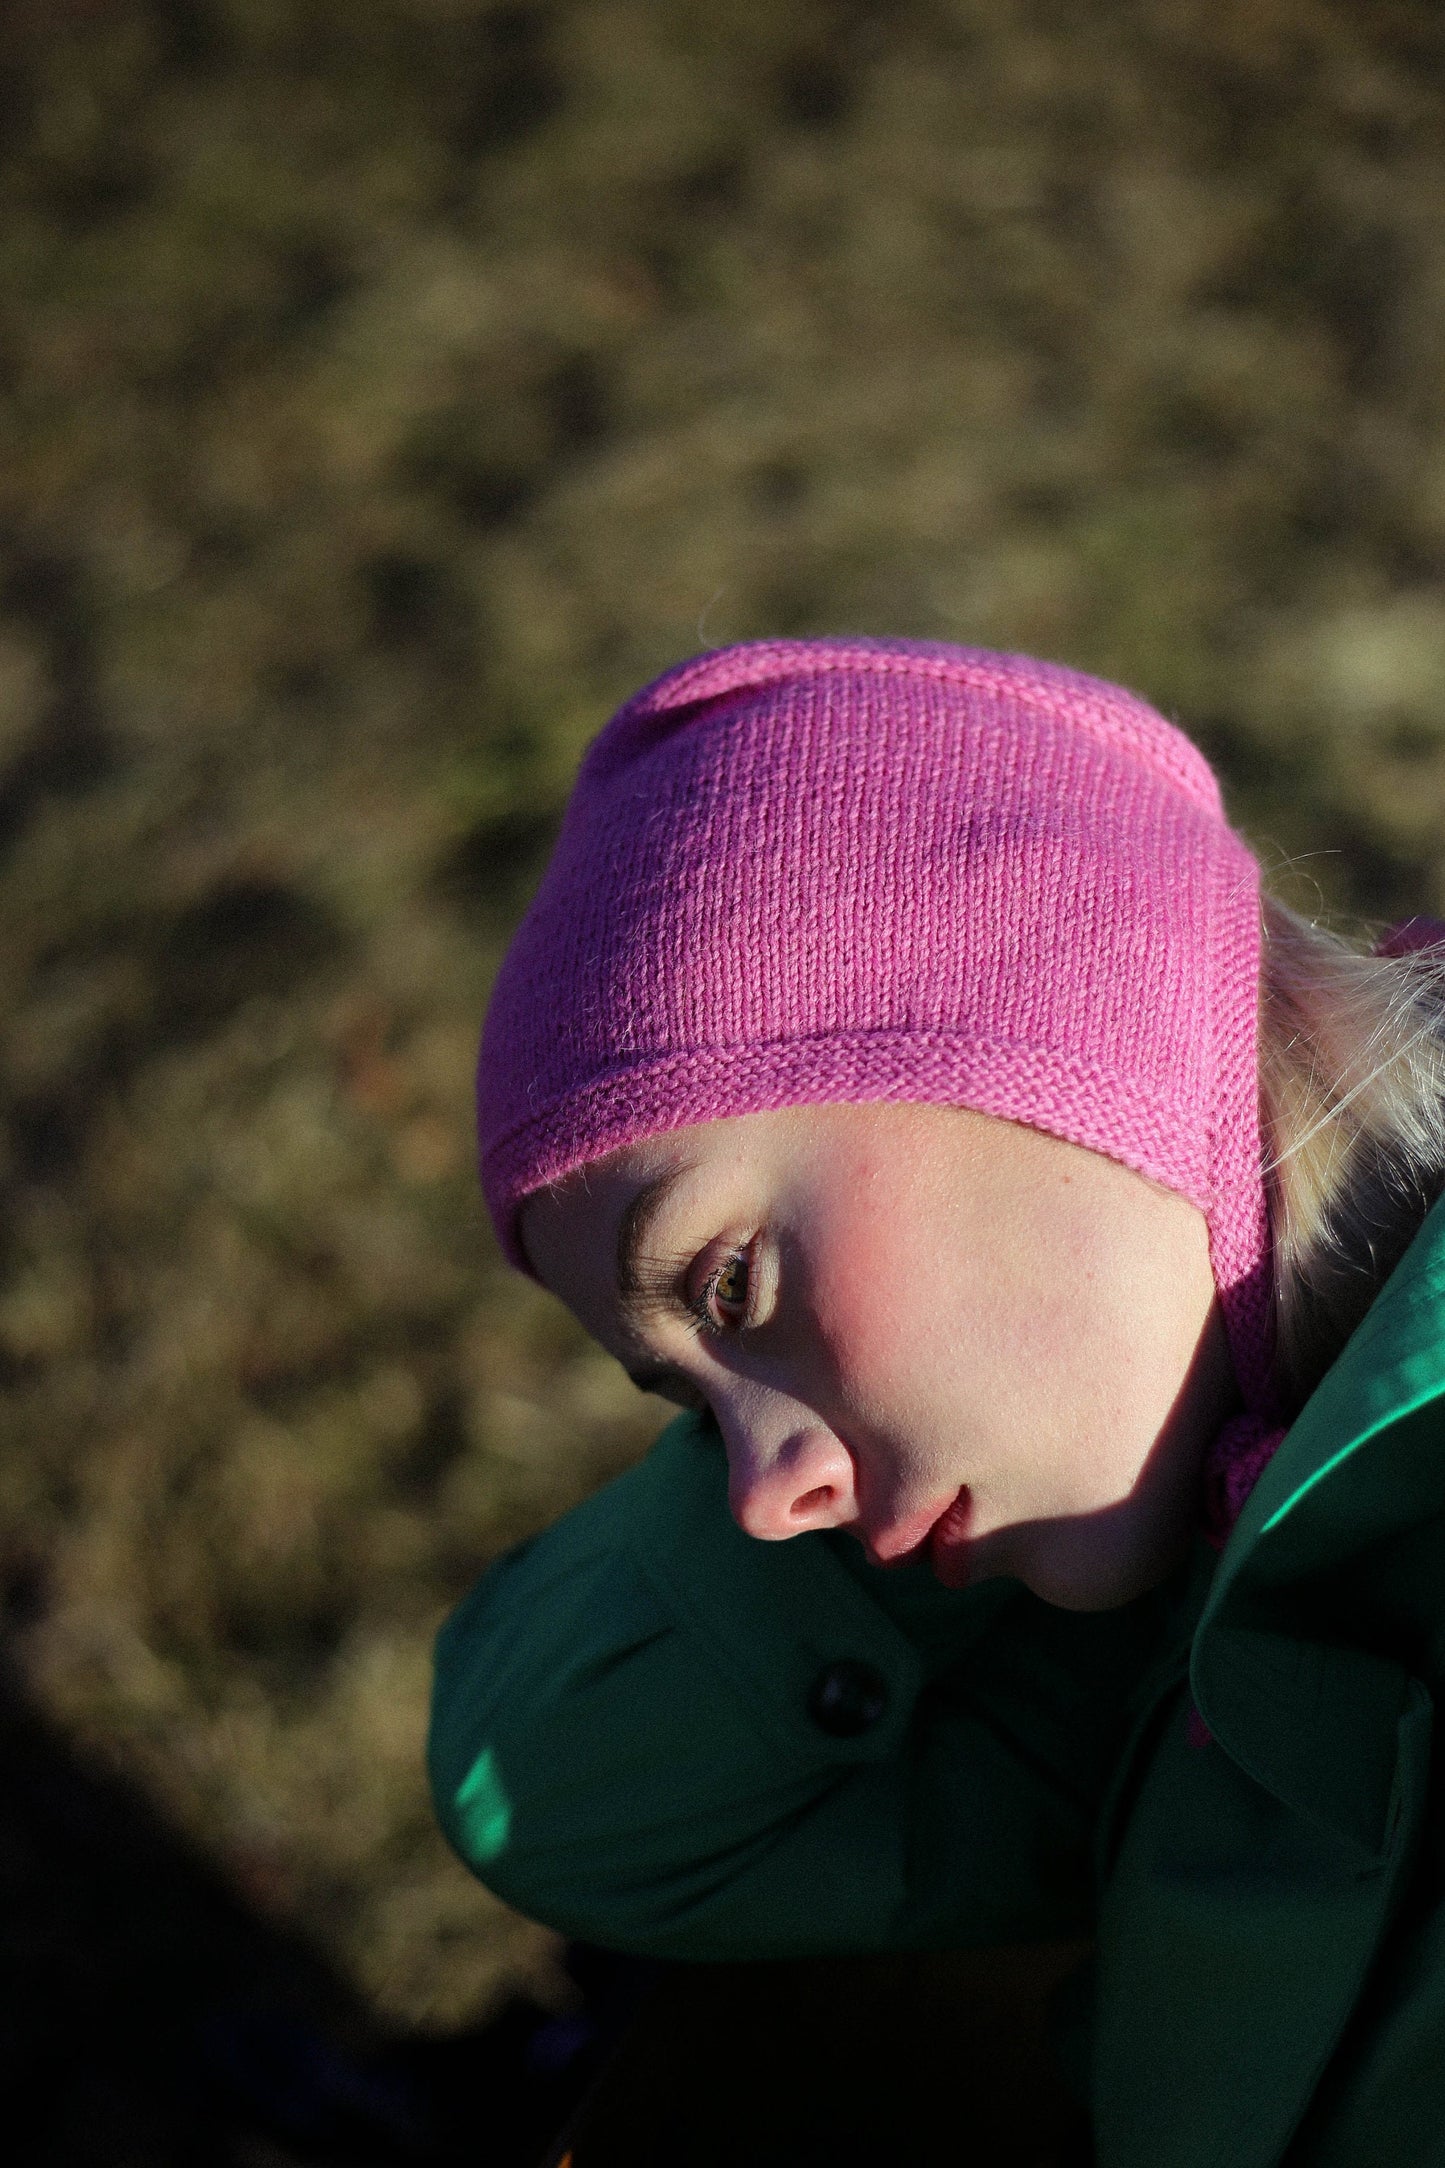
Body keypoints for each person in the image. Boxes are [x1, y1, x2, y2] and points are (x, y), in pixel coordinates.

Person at [429, 638, 1445, 2168]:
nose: (761, 1500)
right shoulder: (1180, 1639)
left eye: (729, 1290)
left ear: (1056, 1028)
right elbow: (566, 1799)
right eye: (692, 1407)